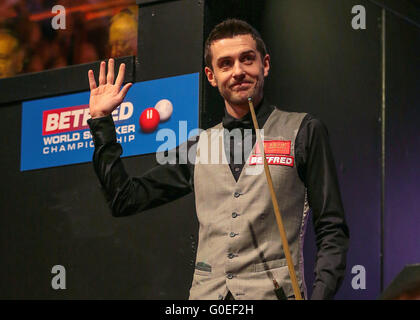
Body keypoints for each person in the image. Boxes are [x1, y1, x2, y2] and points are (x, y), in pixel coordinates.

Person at [87, 19, 349, 300]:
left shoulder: (304, 131)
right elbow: (124, 199)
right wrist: (101, 122)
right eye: (226, 64)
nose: (238, 71)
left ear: (265, 64)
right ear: (211, 76)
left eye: (247, 59)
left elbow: (332, 229)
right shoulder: (198, 146)